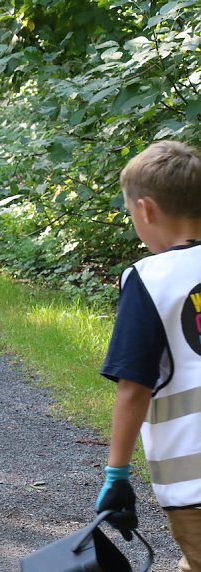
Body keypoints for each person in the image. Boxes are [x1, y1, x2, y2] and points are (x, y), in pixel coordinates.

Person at [97, 140, 201, 570]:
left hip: (193, 479)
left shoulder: (150, 278)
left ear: (146, 209)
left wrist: (117, 475)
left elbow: (134, 386)